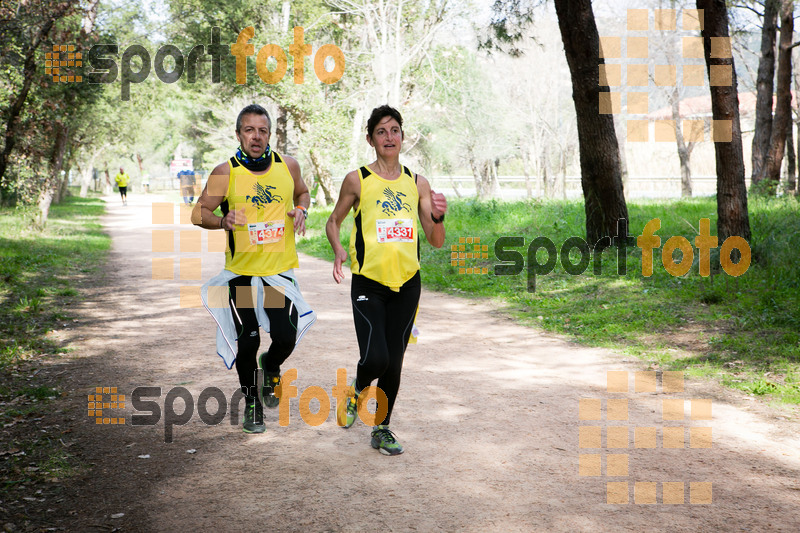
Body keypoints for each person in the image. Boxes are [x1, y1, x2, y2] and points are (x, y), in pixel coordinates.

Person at [326, 105, 447, 455]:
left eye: (395, 130)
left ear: (402, 137)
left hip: (408, 284)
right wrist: (338, 250)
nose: (389, 137)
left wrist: (437, 216)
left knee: (394, 362)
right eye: (382, 131)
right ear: (370, 139)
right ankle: (356, 389)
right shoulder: (357, 180)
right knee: (376, 357)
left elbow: (435, 239)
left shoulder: (416, 183)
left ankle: (382, 428)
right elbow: (333, 221)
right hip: (369, 283)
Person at [192, 104, 316, 434]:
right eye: (249, 130)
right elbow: (198, 213)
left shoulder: (287, 166)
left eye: (262, 131)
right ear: (238, 135)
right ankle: (252, 404)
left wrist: (302, 208)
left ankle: (271, 365)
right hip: (242, 276)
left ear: (269, 135)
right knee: (247, 341)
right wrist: (222, 220)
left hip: (277, 275)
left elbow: (303, 191)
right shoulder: (225, 173)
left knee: (285, 337)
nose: (256, 136)